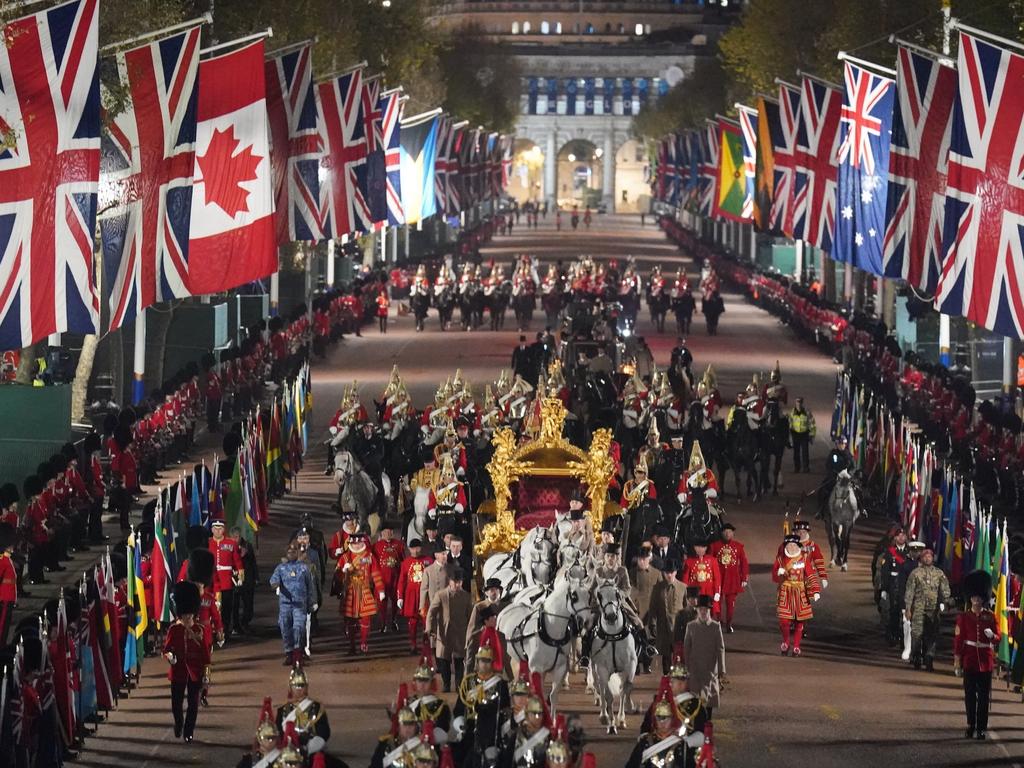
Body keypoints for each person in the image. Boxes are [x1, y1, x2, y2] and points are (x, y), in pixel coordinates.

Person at [954, 570, 1000, 740]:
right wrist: (957, 662)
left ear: (983, 598)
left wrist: (992, 637)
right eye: (973, 597)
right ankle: (971, 725)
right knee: (970, 697)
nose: (976, 599)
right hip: (970, 661)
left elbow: (998, 638)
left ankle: (981, 727)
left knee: (983, 698)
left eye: (979, 597)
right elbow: (959, 641)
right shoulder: (964, 617)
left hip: (986, 661)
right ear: (970, 598)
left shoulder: (991, 617)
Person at [163, 581, 209, 742]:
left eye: (190, 614)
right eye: (185, 615)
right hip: (178, 671)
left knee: (193, 705)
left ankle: (189, 732)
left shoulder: (199, 630)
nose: (188, 617)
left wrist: (206, 676)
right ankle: (179, 722)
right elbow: (166, 649)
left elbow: (206, 656)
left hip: (195, 672)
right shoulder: (174, 630)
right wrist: (171, 657)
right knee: (176, 703)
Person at [454, 635, 510, 764]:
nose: (484, 664)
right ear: (477, 661)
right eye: (482, 660)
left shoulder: (500, 684)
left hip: (491, 731)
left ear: (492, 662)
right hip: (469, 728)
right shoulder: (468, 682)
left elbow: (504, 709)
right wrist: (460, 724)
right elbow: (460, 707)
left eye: (487, 661)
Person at [336, 530, 385, 654]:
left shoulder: (369, 557)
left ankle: (363, 642)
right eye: (354, 543)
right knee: (350, 621)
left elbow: (376, 573)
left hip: (365, 590)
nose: (357, 546)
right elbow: (337, 576)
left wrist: (381, 590)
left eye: (359, 543)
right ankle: (352, 645)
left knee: (366, 619)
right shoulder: (345, 557)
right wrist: (342, 570)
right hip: (350, 593)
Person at [773, 532, 822, 656]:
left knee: (800, 621)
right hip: (786, 592)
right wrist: (778, 572)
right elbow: (773, 577)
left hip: (801, 593)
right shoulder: (780, 559)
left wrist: (815, 590)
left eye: (794, 545)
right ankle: (785, 642)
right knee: (784, 620)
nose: (792, 547)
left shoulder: (804, 559)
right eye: (789, 545)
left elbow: (811, 575)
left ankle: (796, 646)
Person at [904, 546, 951, 671]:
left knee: (932, 635)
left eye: (929, 556)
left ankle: (929, 658)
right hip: (918, 608)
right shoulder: (915, 573)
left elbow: (945, 590)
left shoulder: (939, 573)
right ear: (921, 558)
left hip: (933, 609)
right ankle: (916, 657)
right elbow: (909, 592)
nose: (927, 558)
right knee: (916, 634)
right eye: (925, 556)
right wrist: (908, 608)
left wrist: (945, 602)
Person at [269, 541, 316, 666]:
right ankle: (289, 653)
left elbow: (310, 586)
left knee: (299, 628)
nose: (291, 554)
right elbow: (273, 581)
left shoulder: (304, 568)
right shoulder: (281, 568)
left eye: (293, 551)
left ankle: (298, 655)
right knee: (285, 627)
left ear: (297, 553)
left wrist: (311, 603)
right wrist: (276, 584)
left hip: (300, 604)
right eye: (289, 552)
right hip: (285, 604)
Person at [427, 570, 472, 692]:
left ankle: (458, 685)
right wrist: (429, 628)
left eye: (460, 582)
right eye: (455, 582)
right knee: (444, 661)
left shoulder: (466, 596)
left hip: (460, 633)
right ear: (450, 582)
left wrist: (471, 632)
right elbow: (431, 612)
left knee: (459, 661)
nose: (457, 585)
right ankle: (446, 684)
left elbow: (470, 616)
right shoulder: (441, 595)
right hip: (444, 632)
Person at [682, 595, 726, 720]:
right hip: (694, 667)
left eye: (705, 610)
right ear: (697, 610)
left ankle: (708, 721)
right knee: (695, 696)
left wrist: (722, 670)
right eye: (701, 609)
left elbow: (720, 649)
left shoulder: (715, 627)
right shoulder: (691, 626)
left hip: (710, 667)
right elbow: (686, 647)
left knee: (710, 697)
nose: (703, 612)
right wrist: (686, 666)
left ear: (709, 611)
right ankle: (697, 722)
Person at [276, 665, 331, 755]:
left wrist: (311, 746)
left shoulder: (316, 707)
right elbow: (278, 733)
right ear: (290, 687)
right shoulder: (282, 710)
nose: (299, 689)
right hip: (287, 751)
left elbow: (324, 732)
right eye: (295, 686)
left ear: (306, 687)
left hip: (311, 750)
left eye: (301, 685)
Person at [709, 523, 748, 633]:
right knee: (717, 602)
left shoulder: (738, 546)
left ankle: (729, 623)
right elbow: (710, 561)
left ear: (733, 533)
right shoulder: (714, 546)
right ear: (721, 533)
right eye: (725, 532)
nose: (727, 534)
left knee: (731, 604)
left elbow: (743, 563)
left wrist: (744, 577)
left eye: (729, 532)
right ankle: (718, 622)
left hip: (732, 579)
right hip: (718, 579)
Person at [209, 519, 244, 640]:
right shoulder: (208, 543)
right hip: (211, 581)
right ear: (212, 529)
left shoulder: (231, 543)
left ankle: (225, 630)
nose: (218, 531)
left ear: (223, 530)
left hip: (226, 580)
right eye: (215, 528)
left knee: (227, 607)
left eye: (220, 528)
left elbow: (237, 560)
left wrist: (240, 573)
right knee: (212, 607)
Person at [648, 558, 684, 674]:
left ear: (676, 572)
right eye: (667, 573)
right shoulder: (657, 588)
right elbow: (653, 608)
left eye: (671, 572)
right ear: (663, 573)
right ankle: (667, 680)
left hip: (678, 628)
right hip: (663, 627)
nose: (669, 575)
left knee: (678, 655)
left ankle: (678, 679)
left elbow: (687, 608)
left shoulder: (683, 587)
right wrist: (652, 623)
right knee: (666, 656)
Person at [398, 539, 432, 654]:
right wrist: (400, 597)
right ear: (409, 549)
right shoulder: (405, 563)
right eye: (413, 548)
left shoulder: (428, 561)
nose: (415, 551)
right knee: (412, 622)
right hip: (411, 595)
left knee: (426, 621)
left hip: (425, 595)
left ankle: (426, 645)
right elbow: (401, 581)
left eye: (417, 548)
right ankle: (413, 645)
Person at [375, 521, 406, 634]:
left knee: (395, 601)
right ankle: (383, 623)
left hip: (395, 578)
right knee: (381, 602)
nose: (388, 533)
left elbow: (403, 561)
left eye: (390, 531)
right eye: (386, 531)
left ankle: (393, 619)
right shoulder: (377, 546)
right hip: (382, 579)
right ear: (382, 533)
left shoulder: (399, 544)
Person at [466, 578, 505, 669]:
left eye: (496, 590)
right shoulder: (480, 607)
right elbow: (472, 627)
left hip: (502, 640)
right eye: (491, 590)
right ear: (486, 592)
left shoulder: (504, 606)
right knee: (471, 660)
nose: (494, 592)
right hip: (484, 640)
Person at [236, 698, 281, 768]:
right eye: (266, 737)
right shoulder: (248, 760)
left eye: (272, 737)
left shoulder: (282, 758)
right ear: (259, 738)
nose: (270, 741)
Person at [681, 542, 721, 617]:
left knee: (709, 614)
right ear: (694, 548)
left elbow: (717, 578)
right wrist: (685, 592)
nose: (700, 549)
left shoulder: (712, 560)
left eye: (702, 547)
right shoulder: (689, 561)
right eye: (698, 547)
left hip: (709, 592)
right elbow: (685, 578)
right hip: (695, 592)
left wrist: (717, 592)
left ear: (706, 548)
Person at [788, 397, 815, 473]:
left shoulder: (807, 412)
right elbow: (790, 423)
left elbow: (812, 423)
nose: (798, 404)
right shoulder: (792, 412)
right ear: (795, 403)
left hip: (804, 434)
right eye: (797, 402)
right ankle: (797, 468)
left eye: (800, 402)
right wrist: (790, 434)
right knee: (796, 452)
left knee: (805, 453)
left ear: (802, 403)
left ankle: (806, 468)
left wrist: (811, 435)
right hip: (795, 434)